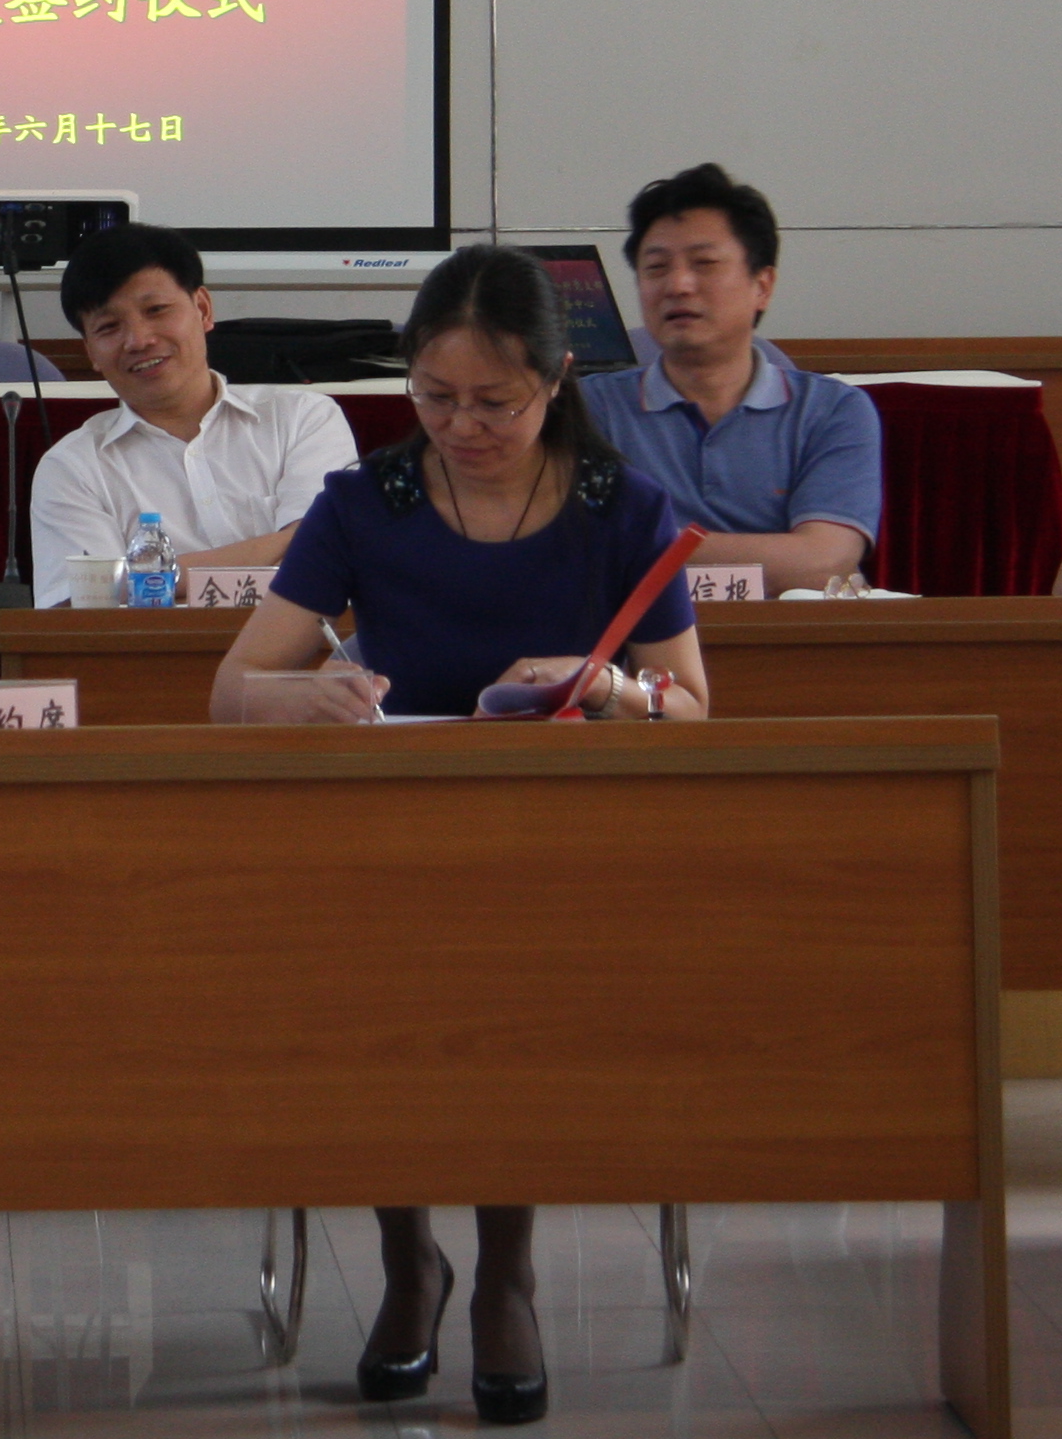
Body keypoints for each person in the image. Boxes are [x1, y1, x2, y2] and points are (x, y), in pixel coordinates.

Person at [210, 244, 710, 1427]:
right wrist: (306, 695)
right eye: (435, 398)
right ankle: (408, 1263)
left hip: (561, 856)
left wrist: (608, 690)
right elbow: (232, 690)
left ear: (556, 382)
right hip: (386, 843)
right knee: (375, 1011)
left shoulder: (621, 506)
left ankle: (506, 1277)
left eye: (498, 402)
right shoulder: (366, 501)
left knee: (513, 1008)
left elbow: (690, 706)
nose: (463, 427)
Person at [23, 222, 357, 607]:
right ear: (91, 353)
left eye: (156, 310)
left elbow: (327, 558)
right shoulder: (72, 467)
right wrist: (287, 541)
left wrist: (141, 580)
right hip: (152, 648)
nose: (139, 340)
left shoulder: (303, 419)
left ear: (202, 309)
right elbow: (82, 605)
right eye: (109, 327)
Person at [579, 163, 881, 585]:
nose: (678, 285)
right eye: (656, 268)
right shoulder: (589, 408)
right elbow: (579, 551)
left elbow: (824, 563)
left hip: (782, 626)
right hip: (636, 628)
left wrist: (641, 548)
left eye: (704, 263)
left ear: (763, 286)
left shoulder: (833, 410)